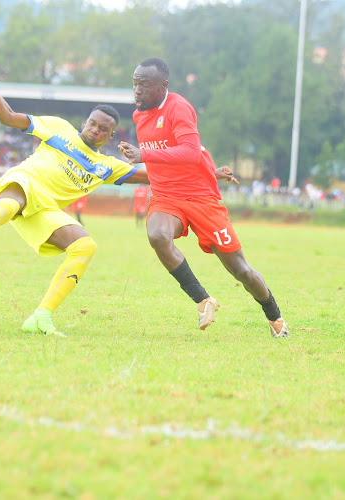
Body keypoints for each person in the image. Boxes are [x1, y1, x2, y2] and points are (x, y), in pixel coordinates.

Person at [0, 54, 156, 337]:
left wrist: (204, 169)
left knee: (85, 247)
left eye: (103, 129)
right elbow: (8, 117)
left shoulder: (107, 166)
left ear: (110, 136)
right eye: (93, 123)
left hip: (44, 209)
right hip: (25, 182)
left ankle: (40, 317)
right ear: (85, 121)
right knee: (7, 207)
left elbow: (157, 174)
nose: (95, 129)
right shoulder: (58, 128)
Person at [118, 57, 289, 338]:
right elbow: (179, 153)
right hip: (166, 196)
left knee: (242, 272)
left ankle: (275, 317)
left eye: (144, 85)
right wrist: (212, 169)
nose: (137, 90)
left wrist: (144, 155)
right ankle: (203, 300)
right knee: (158, 236)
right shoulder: (139, 115)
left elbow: (190, 151)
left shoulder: (179, 107)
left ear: (164, 86)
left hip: (200, 199)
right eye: (135, 84)